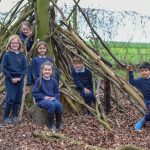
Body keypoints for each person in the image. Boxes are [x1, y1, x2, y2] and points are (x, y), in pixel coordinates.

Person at [2, 35, 27, 124]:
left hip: (19, 79)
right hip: (10, 79)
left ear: (19, 44)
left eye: (16, 43)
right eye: (13, 43)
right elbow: (4, 68)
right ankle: (5, 116)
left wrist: (20, 77)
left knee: (17, 98)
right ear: (9, 44)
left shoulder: (22, 56)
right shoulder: (7, 55)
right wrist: (11, 78)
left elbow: (25, 68)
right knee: (11, 98)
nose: (14, 44)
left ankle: (14, 115)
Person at [32, 61, 63, 130]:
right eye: (45, 70)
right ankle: (50, 124)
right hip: (41, 100)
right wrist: (44, 97)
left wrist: (54, 97)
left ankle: (59, 124)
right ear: (42, 70)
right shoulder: (39, 81)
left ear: (52, 71)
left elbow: (57, 92)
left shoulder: (54, 81)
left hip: (52, 99)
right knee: (51, 105)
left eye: (49, 70)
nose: (47, 71)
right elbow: (34, 93)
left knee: (59, 105)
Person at [126, 62, 150, 131]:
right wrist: (130, 71)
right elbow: (132, 82)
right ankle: (142, 121)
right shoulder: (140, 81)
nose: (144, 72)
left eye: (146, 70)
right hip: (148, 100)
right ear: (140, 72)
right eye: (142, 71)